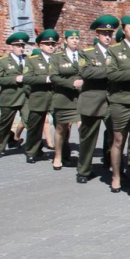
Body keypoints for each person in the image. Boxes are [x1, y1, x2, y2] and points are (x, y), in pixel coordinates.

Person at [76, 15, 118, 184]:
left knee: (115, 136)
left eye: (110, 33)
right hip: (92, 101)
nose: (108, 36)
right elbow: (86, 72)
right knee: (88, 138)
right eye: (104, 33)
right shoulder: (86, 53)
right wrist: (112, 71)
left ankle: (112, 165)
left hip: (111, 100)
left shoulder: (117, 51)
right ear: (97, 35)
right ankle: (84, 170)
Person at [105, 15, 130, 193]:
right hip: (121, 101)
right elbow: (111, 74)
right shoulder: (115, 50)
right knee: (119, 140)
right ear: (124, 30)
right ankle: (116, 176)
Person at [0, 32, 31, 158]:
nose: (21, 48)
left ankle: (32, 150)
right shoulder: (2, 61)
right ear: (11, 47)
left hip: (25, 97)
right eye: (18, 45)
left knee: (30, 121)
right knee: (5, 124)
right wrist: (15, 79)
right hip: (9, 98)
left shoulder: (28, 59)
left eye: (22, 46)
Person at [22, 30, 58, 165]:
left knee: (60, 126)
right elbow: (27, 78)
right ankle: (32, 151)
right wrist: (47, 78)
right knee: (35, 127)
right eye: (47, 44)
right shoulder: (32, 60)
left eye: (52, 44)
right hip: (39, 97)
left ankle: (62, 153)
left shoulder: (58, 58)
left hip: (55, 97)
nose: (50, 46)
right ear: (40, 45)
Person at [49, 30, 82, 168]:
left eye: (77, 38)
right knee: (61, 129)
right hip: (64, 98)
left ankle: (84, 159)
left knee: (83, 129)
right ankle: (58, 156)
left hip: (81, 98)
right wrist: (71, 83)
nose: (75, 40)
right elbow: (53, 76)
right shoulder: (57, 57)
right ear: (66, 40)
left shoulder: (84, 55)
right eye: (72, 38)